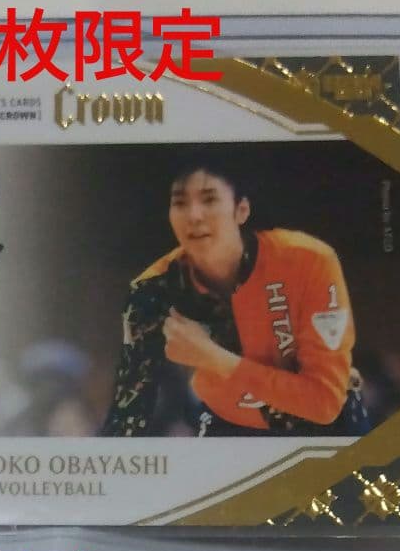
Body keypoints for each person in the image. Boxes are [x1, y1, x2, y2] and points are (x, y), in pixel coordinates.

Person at [102, 153, 369, 437]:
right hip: (226, 426)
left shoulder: (309, 260)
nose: (194, 215)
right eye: (180, 203)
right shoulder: (150, 291)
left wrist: (213, 358)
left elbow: (323, 402)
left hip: (324, 427)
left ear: (241, 210)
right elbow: (127, 416)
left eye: (209, 200)